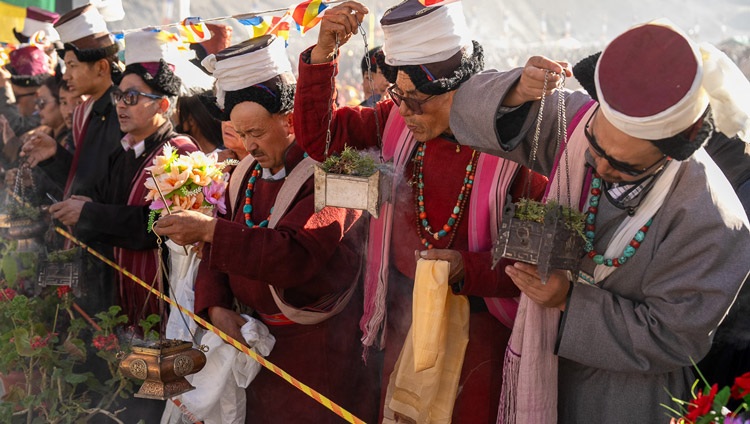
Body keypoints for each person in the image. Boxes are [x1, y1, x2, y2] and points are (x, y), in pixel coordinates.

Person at [448, 19, 750, 424]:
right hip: (542, 366)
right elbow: (464, 108)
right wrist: (519, 89)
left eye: (624, 166)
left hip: (625, 397)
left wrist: (567, 301)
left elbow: (675, 336)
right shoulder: (580, 125)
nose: (599, 164)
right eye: (596, 147)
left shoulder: (714, 219)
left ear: (669, 156)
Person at [294, 1, 546, 422]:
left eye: (419, 99)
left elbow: (536, 262)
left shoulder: (516, 147)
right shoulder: (392, 118)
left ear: (462, 90)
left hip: (482, 331)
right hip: (403, 317)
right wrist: (323, 52)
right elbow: (320, 138)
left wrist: (466, 267)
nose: (406, 111)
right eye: (399, 95)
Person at [153, 34, 378, 424]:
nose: (247, 145)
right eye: (240, 135)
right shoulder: (246, 173)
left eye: (255, 133)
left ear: (290, 119)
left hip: (317, 356)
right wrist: (217, 307)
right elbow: (217, 251)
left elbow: (295, 253)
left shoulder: (337, 170)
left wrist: (208, 232)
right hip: (256, 348)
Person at [49, 29, 198, 330]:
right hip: (120, 292)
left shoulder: (181, 155)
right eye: (119, 96)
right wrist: (82, 205)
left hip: (163, 298)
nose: (120, 105)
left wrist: (90, 213)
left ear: (163, 105)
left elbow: (155, 224)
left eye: (132, 97)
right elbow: (104, 202)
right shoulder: (126, 150)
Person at [0, 45, 49, 136]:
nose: (14, 106)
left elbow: (14, 128)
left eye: (15, 98)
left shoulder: (51, 117)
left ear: (38, 95)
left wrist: (4, 88)